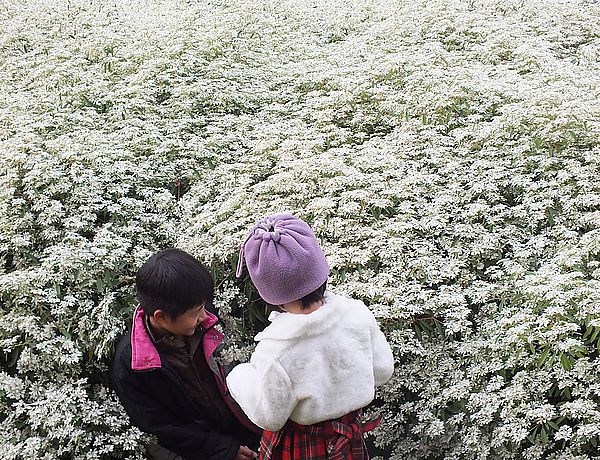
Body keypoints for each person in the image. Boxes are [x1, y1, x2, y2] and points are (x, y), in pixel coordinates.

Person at [227, 213, 395, 460]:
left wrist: (239, 377)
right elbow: (382, 371)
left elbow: (269, 417)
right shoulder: (356, 313)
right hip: (348, 437)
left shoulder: (277, 349)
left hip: (302, 446)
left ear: (269, 292)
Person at [111, 248, 260, 460]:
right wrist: (223, 450)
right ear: (161, 317)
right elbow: (161, 427)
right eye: (195, 313)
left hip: (243, 429)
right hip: (200, 450)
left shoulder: (201, 312)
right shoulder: (132, 365)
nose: (204, 315)